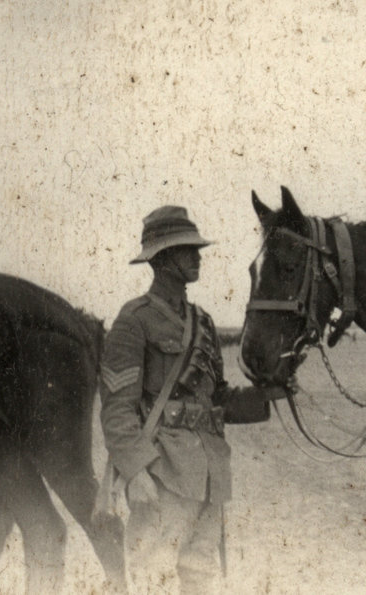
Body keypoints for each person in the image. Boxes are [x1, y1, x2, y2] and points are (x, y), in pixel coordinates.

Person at [100, 206, 273, 594]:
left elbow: (218, 398)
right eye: (187, 249)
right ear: (162, 259)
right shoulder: (134, 321)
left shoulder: (204, 322)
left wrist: (268, 397)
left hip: (210, 472)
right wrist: (136, 472)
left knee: (200, 576)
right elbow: (116, 410)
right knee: (153, 577)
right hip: (162, 473)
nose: (198, 256)